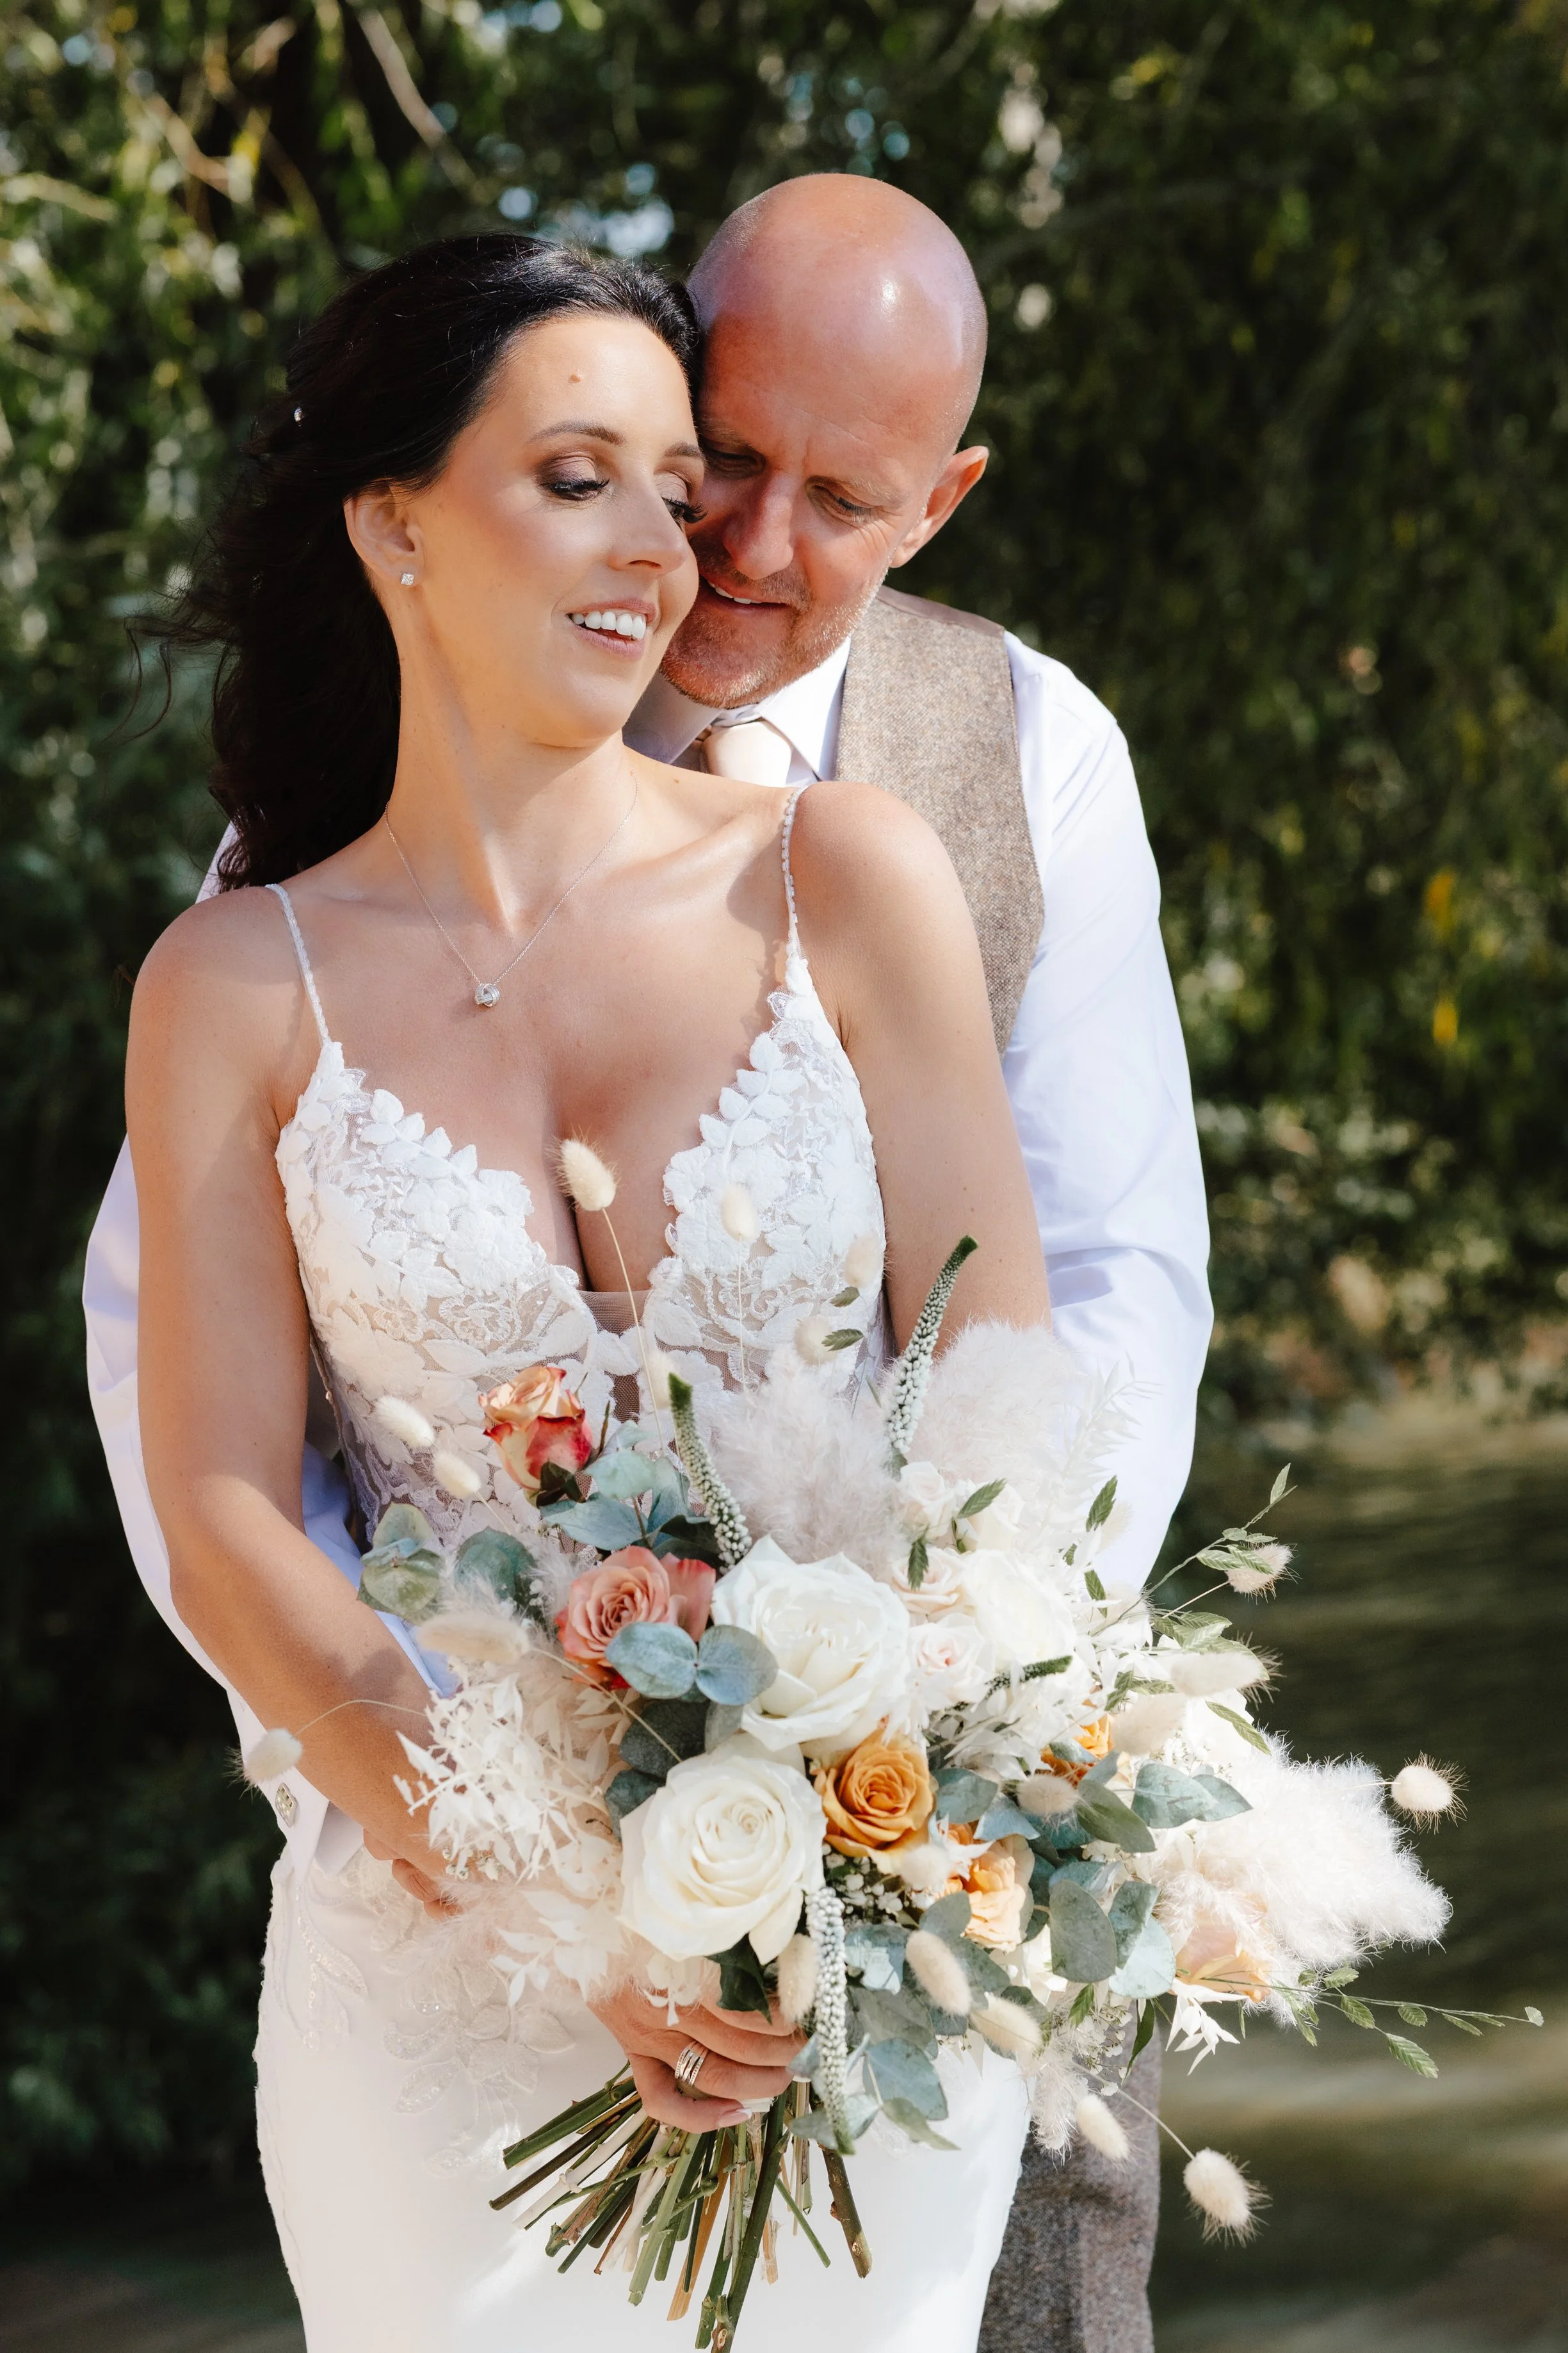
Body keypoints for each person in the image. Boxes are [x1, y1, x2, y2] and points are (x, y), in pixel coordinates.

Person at [87, 181, 1209, 2350]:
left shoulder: (939, 818)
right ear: (394, 521)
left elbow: (1075, 1343)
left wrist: (887, 1782)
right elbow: (201, 1459)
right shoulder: (251, 945)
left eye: (799, 497)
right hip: (437, 1959)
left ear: (945, 499)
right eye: (657, 473)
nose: (715, 547)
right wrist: (491, 1846)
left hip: (877, 1895)